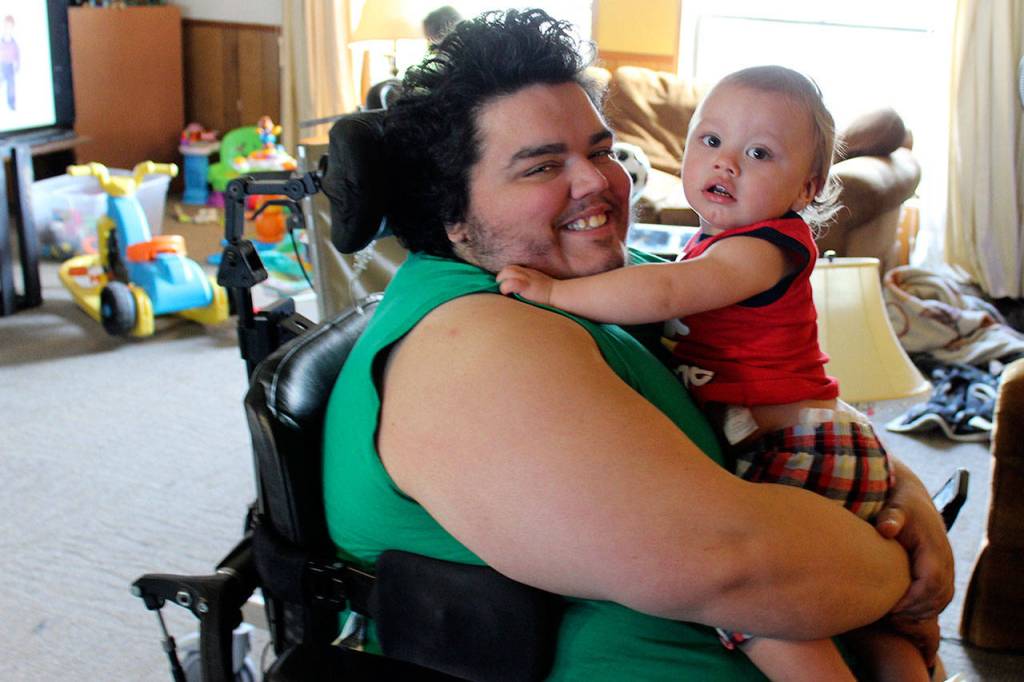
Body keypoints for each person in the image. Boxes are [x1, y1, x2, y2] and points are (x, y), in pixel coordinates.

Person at [322, 10, 953, 680]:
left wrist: (906, 501)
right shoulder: (470, 344)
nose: (598, 182)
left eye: (600, 151)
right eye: (541, 167)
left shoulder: (611, 280)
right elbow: (738, 570)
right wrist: (903, 570)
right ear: (452, 215)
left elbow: (799, 399)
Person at [497, 64, 932, 681]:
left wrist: (556, 296)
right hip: (802, 440)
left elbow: (672, 289)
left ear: (807, 189)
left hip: (795, 445)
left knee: (763, 612)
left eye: (758, 153)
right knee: (865, 625)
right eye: (710, 141)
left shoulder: (765, 246)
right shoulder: (712, 241)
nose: (726, 164)